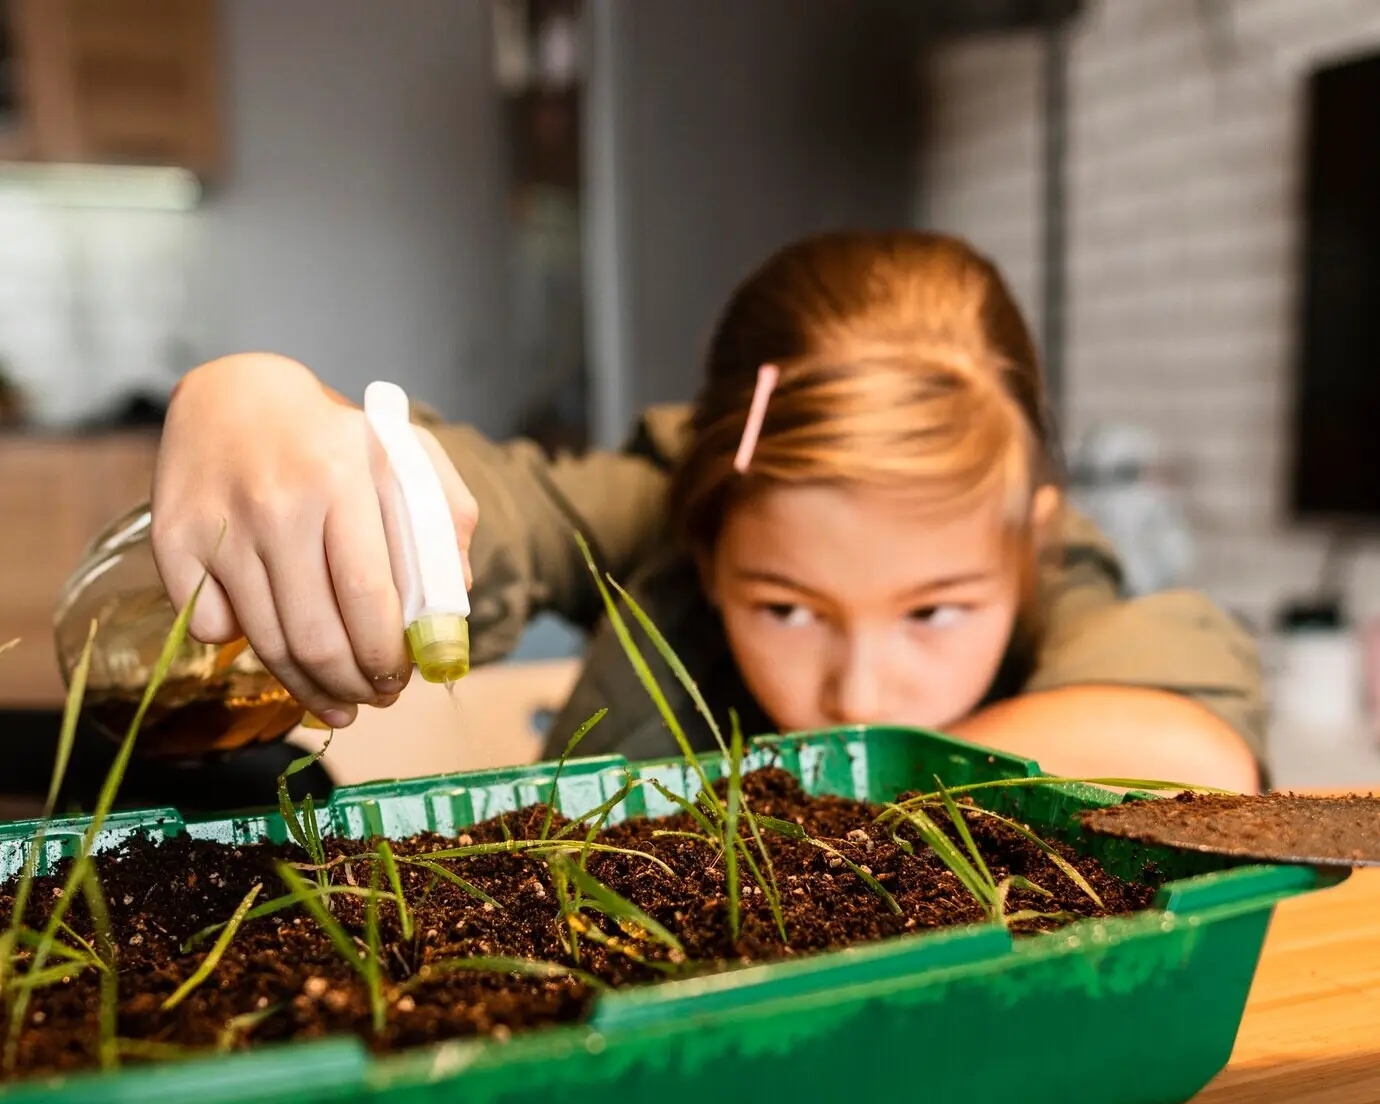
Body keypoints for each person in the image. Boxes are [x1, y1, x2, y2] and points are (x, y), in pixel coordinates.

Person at [149, 231, 1263, 790]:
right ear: (708, 530)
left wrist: (807, 806)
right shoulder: (660, 505)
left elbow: (1184, 742)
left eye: (933, 613)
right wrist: (254, 405)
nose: (857, 694)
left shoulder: (1056, 573)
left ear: (1030, 543)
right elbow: (468, 514)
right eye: (787, 608)